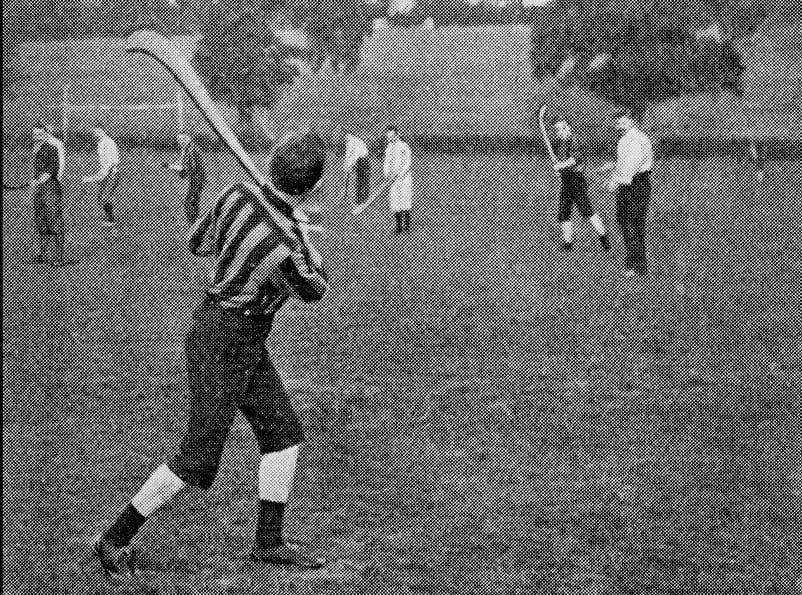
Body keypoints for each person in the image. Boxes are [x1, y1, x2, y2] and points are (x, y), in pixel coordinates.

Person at [92, 131, 330, 579]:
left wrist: (292, 227)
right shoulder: (281, 245)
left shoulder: (236, 195)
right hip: (225, 341)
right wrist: (304, 247)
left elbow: (199, 240)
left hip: (236, 334)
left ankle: (269, 541)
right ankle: (115, 537)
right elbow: (313, 290)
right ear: (312, 185)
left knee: (284, 434)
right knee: (196, 460)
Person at [606, 110, 654, 278]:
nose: (619, 123)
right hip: (633, 185)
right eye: (618, 121)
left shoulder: (636, 139)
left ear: (632, 121)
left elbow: (630, 167)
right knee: (628, 222)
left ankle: (636, 265)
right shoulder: (627, 139)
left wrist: (614, 181)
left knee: (630, 223)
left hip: (636, 185)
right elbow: (625, 161)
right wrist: (611, 166)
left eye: (623, 121)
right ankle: (636, 263)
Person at [551, 118, 610, 252]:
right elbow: (562, 164)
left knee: (587, 211)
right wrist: (559, 171)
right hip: (566, 181)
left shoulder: (575, 141)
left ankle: (603, 236)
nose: (561, 132)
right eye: (557, 130)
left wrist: (561, 165)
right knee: (564, 212)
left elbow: (574, 160)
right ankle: (568, 243)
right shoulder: (561, 144)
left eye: (563, 128)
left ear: (569, 127)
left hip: (577, 181)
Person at [30, 123, 70, 267]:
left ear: (46, 135)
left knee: (55, 222)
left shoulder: (52, 148)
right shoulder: (36, 149)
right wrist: (35, 183)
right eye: (34, 134)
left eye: (40, 134)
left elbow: (52, 169)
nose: (37, 137)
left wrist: (38, 181)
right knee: (41, 222)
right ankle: (42, 254)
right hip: (40, 189)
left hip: (50, 188)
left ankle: (59, 258)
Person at [163, 132, 206, 223]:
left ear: (189, 138)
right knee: (191, 201)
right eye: (179, 140)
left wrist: (173, 167)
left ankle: (195, 223)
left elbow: (191, 167)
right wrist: (172, 166)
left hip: (197, 179)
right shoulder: (189, 148)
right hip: (196, 178)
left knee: (190, 202)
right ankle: (195, 222)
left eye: (183, 139)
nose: (181, 142)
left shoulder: (191, 149)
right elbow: (187, 167)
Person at [82, 125, 120, 227]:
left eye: (98, 131)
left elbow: (110, 163)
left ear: (104, 131)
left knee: (104, 198)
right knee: (101, 198)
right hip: (108, 173)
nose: (95, 134)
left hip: (112, 173)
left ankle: (110, 220)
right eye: (94, 132)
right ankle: (109, 218)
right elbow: (104, 164)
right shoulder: (101, 143)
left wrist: (93, 178)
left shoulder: (107, 143)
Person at [383, 126, 413, 234]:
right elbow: (386, 163)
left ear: (397, 134)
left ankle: (407, 228)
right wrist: (387, 174)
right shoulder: (388, 148)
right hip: (392, 180)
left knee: (405, 201)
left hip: (404, 179)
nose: (390, 139)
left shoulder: (404, 146)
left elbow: (408, 163)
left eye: (392, 136)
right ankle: (399, 227)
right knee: (395, 203)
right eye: (388, 137)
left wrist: (400, 174)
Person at [342, 131, 370, 205]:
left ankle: (363, 200)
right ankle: (358, 200)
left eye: (347, 136)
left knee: (363, 180)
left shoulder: (354, 141)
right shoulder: (349, 142)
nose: (345, 138)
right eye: (345, 136)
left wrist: (350, 165)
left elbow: (355, 155)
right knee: (359, 180)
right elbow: (348, 155)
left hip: (363, 160)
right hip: (360, 160)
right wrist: (346, 165)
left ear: (350, 135)